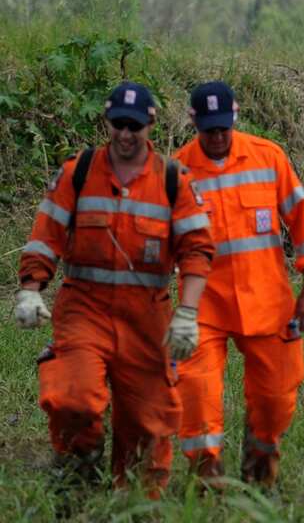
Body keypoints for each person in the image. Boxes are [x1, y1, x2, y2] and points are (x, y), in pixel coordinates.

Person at [13, 82, 214, 498]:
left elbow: (197, 251)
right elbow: (45, 235)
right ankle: (77, 478)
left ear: (151, 125)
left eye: (134, 126)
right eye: (118, 125)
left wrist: (188, 313)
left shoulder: (173, 180)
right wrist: (30, 289)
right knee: (73, 398)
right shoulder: (79, 172)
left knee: (149, 423)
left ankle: (135, 505)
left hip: (147, 320)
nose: (125, 134)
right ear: (107, 122)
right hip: (83, 311)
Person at [173, 81, 304, 488]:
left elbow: (303, 222)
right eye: (209, 130)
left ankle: (260, 473)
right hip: (204, 308)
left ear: (235, 118)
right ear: (193, 123)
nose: (218, 137)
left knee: (276, 398)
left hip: (267, 303)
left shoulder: (268, 158)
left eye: (224, 128)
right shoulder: (177, 172)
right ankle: (207, 480)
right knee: (196, 393)